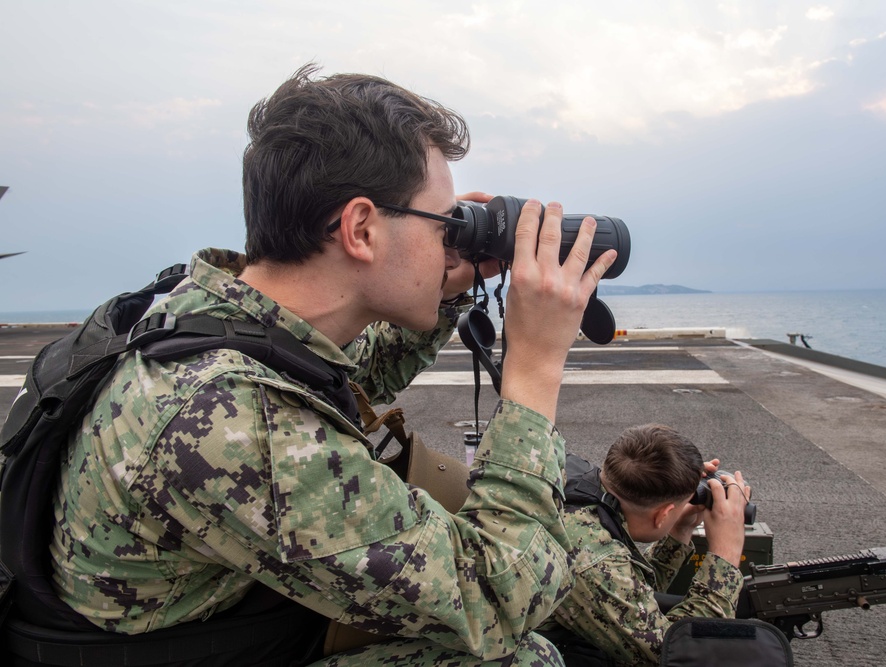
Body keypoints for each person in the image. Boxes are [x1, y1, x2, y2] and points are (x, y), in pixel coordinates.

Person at [35, 65, 617, 666]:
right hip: (196, 649)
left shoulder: (217, 321)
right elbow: (499, 596)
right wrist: (537, 365)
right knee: (523, 659)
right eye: (443, 224)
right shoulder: (227, 417)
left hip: (225, 621)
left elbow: (351, 376)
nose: (452, 243)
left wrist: (445, 285)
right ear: (360, 229)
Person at [540, 424, 749, 666]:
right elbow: (678, 655)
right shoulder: (590, 556)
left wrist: (680, 528)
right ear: (663, 515)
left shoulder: (579, 489)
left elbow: (628, 598)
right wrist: (726, 554)